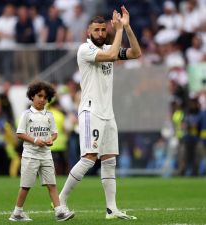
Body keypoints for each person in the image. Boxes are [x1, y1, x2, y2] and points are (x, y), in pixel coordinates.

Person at [58, 6, 141, 220]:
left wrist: (127, 27)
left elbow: (135, 53)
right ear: (88, 32)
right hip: (90, 111)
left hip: (107, 113)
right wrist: (119, 30)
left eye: (104, 30)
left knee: (109, 160)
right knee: (88, 159)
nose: (101, 34)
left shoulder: (106, 46)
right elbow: (113, 54)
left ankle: (111, 209)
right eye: (97, 30)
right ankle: (60, 202)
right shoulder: (85, 50)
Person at [9, 81, 74, 222]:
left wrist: (51, 139)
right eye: (39, 96)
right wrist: (35, 140)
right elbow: (20, 133)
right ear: (32, 96)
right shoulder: (26, 115)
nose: (42, 99)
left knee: (52, 184)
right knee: (26, 186)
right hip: (30, 155)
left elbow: (55, 133)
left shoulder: (49, 115)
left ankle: (59, 212)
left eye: (45, 97)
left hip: (46, 154)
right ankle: (17, 212)